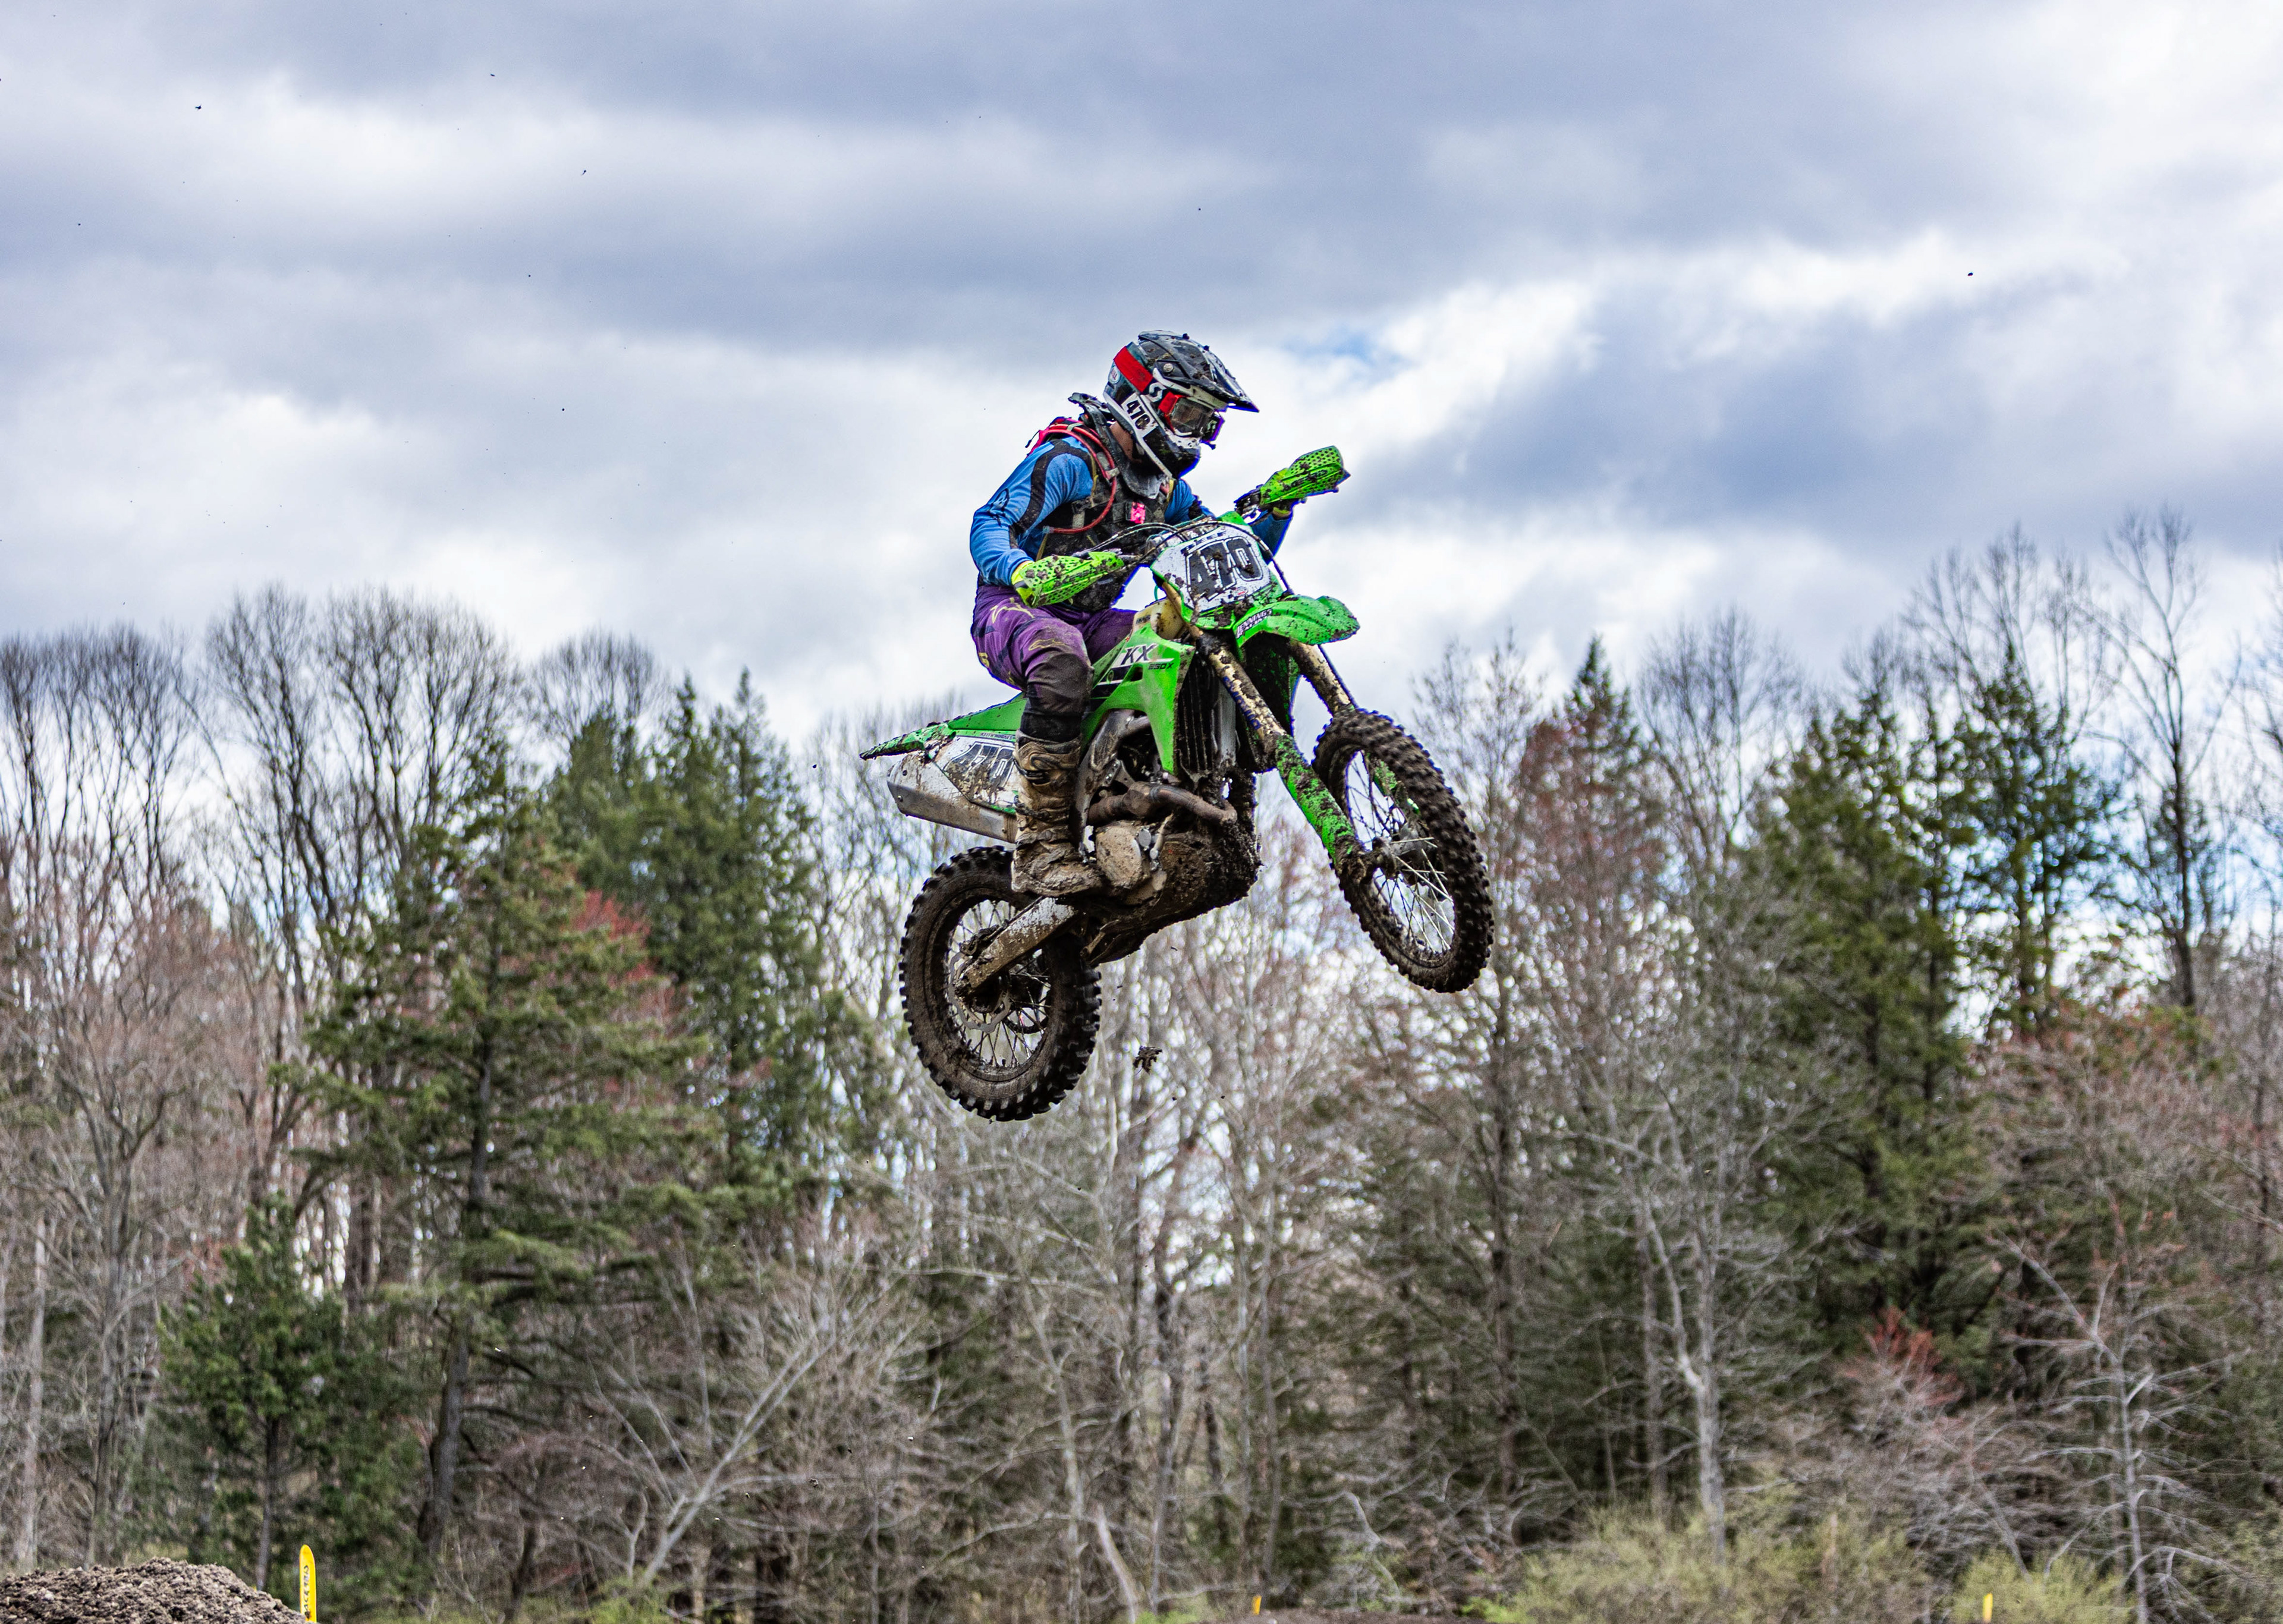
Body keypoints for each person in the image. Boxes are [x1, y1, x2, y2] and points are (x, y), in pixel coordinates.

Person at [969, 332, 1294, 896]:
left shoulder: (1167, 489)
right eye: (1188, 414)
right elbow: (991, 522)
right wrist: (1022, 571)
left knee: (1192, 646)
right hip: (1016, 609)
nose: (1196, 432)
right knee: (1062, 660)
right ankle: (1043, 847)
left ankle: (1187, 802)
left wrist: (1278, 507)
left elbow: (1219, 551)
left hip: (1094, 620)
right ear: (1142, 401)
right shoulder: (1072, 460)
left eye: (1207, 422)